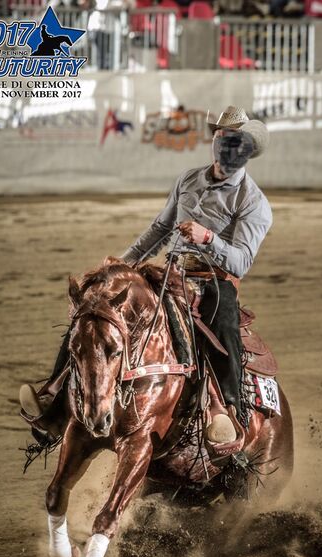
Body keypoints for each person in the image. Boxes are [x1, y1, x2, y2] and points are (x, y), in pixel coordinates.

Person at [20, 106, 271, 446]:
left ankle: (227, 410)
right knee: (97, 309)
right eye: (221, 138)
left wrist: (208, 238)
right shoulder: (188, 180)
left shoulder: (253, 202)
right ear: (214, 141)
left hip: (214, 281)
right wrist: (120, 266)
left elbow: (240, 261)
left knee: (222, 322)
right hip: (171, 271)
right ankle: (55, 403)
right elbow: (160, 228)